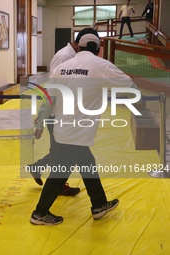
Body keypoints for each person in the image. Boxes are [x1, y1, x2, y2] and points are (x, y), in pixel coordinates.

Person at [30, 33, 137, 225]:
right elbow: (130, 86)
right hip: (79, 131)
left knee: (88, 164)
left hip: (62, 128)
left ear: (78, 47)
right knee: (59, 173)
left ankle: (99, 205)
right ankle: (39, 213)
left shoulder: (63, 67)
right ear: (98, 49)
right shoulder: (101, 65)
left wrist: (40, 122)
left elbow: (50, 98)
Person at [27, 28, 99, 197]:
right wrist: (43, 118)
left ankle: (39, 169)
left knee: (66, 152)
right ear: (78, 44)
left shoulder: (74, 56)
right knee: (64, 152)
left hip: (66, 113)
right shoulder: (64, 57)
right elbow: (53, 89)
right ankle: (45, 204)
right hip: (58, 114)